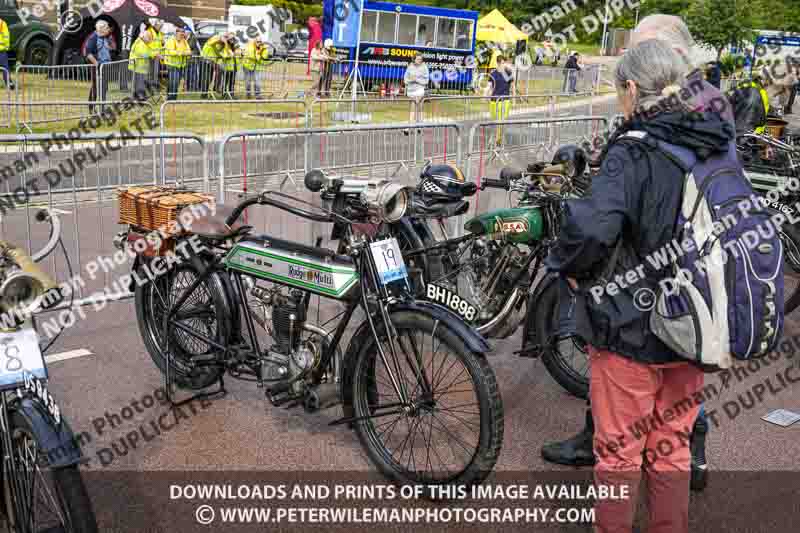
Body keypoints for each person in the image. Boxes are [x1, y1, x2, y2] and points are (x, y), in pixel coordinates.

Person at [547, 38, 734, 533]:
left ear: (631, 89)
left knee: (619, 452)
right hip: (697, 321)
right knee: (672, 446)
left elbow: (590, 230)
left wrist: (566, 266)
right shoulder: (714, 140)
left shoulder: (631, 150)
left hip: (631, 325)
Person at [85, 20, 116, 111]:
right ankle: (91, 107)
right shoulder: (93, 38)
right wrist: (97, 65)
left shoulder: (105, 37)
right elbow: (88, 54)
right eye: (107, 28)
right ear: (101, 29)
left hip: (105, 67)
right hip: (98, 67)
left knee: (104, 87)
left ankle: (102, 107)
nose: (108, 30)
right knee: (96, 87)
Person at [487, 55, 514, 144]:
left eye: (505, 63)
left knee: (503, 120)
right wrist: (486, 95)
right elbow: (489, 87)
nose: (504, 65)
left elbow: (512, 85)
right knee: (494, 121)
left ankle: (501, 138)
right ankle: (493, 137)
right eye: (502, 63)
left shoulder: (508, 73)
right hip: (494, 100)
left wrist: (513, 99)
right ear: (498, 63)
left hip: (505, 99)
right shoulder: (493, 74)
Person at [163, 26, 192, 101]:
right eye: (180, 32)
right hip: (171, 64)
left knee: (176, 82)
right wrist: (182, 53)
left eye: (183, 32)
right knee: (174, 82)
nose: (182, 34)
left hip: (180, 65)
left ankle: (172, 97)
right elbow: (171, 52)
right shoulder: (171, 41)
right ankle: (171, 98)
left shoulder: (184, 41)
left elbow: (189, 51)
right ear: (176, 33)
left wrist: (186, 53)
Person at [128, 31, 158, 100]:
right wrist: (154, 54)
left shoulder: (143, 43)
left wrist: (154, 54)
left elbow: (149, 51)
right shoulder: (140, 43)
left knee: (140, 82)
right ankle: (140, 97)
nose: (150, 41)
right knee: (139, 83)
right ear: (145, 37)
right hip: (138, 66)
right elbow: (144, 54)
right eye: (149, 38)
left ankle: (139, 96)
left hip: (140, 66)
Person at [403, 52, 429, 125]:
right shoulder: (410, 66)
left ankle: (412, 126)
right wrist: (412, 80)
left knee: (415, 105)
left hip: (420, 90)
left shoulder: (424, 67)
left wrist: (417, 80)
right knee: (415, 107)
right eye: (417, 59)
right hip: (411, 90)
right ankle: (417, 124)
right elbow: (405, 80)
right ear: (414, 59)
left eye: (420, 59)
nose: (419, 61)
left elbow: (426, 81)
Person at [142, 18, 164, 89]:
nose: (160, 27)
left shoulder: (160, 33)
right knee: (148, 71)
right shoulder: (149, 32)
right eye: (159, 26)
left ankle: (154, 85)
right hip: (150, 55)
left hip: (157, 55)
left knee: (155, 71)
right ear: (155, 25)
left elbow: (161, 43)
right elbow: (147, 44)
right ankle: (147, 85)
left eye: (161, 26)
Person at [0, 17, 13, 89]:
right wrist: (7, 47)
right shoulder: (2, 23)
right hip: (1, 50)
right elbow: (6, 36)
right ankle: (9, 83)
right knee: (5, 68)